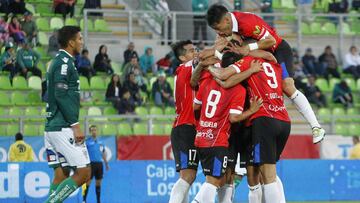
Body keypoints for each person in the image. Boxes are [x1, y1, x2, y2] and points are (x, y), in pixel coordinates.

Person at [206, 4, 325, 144]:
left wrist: (248, 48)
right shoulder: (226, 28)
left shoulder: (247, 22)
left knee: (287, 85)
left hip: (277, 50)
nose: (219, 32)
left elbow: (271, 41)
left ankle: (316, 126)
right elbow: (219, 49)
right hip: (257, 54)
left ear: (226, 20)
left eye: (219, 28)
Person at [211, 52, 291, 203]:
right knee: (230, 177)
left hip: (248, 131)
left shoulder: (249, 81)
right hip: (232, 133)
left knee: (255, 176)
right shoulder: (234, 84)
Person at [191, 59, 262, 203]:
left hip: (201, 138)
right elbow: (234, 118)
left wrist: (206, 122)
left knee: (221, 179)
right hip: (217, 141)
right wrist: (252, 110)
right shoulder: (238, 90)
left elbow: (195, 107)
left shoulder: (207, 82)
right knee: (214, 181)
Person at [44, 26, 91, 203]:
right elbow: (60, 94)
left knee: (61, 174)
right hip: (62, 126)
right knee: (85, 172)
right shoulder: (64, 63)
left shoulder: (62, 62)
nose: (81, 41)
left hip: (53, 126)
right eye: (79, 39)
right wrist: (75, 125)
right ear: (71, 42)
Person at [168, 40, 200, 203]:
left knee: (188, 176)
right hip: (185, 128)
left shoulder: (187, 71)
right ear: (182, 57)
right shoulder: (184, 68)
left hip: (190, 128)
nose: (195, 52)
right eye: (190, 51)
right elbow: (199, 61)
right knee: (188, 176)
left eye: (195, 49)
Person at [83, 125, 109, 203]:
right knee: (88, 183)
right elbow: (84, 153)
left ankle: (98, 201)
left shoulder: (101, 142)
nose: (94, 131)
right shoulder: (87, 142)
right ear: (90, 132)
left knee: (98, 183)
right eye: (92, 130)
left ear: (97, 131)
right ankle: (84, 200)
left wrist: (106, 164)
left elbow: (103, 153)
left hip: (99, 164)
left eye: (95, 130)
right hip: (91, 164)